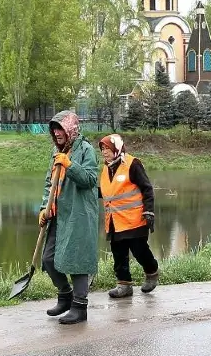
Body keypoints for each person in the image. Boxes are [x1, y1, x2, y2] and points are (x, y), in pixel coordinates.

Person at [37, 110, 100, 325]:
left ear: (71, 128)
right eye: (54, 129)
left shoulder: (86, 149)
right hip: (59, 214)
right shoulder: (56, 152)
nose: (56, 133)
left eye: (60, 128)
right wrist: (44, 207)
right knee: (48, 258)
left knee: (77, 259)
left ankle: (80, 307)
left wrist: (69, 165)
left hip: (79, 213)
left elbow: (91, 179)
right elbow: (49, 183)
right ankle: (65, 295)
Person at [98, 134, 160, 298]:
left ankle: (152, 272)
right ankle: (124, 285)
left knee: (139, 250)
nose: (104, 152)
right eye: (102, 149)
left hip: (134, 220)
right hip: (114, 221)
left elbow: (147, 189)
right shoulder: (106, 168)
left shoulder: (133, 164)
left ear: (117, 148)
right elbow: (107, 192)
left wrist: (149, 212)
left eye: (108, 149)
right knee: (118, 254)